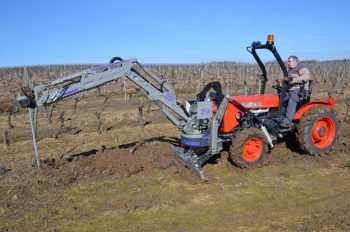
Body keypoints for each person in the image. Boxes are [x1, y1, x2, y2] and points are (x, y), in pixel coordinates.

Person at [280, 55, 310, 128]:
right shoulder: (289, 70)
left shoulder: (301, 68)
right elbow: (286, 80)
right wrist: (280, 84)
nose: (288, 63)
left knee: (292, 99)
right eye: (288, 61)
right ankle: (278, 116)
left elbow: (306, 77)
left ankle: (288, 121)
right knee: (280, 98)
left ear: (295, 61)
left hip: (299, 90)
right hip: (289, 90)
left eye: (289, 61)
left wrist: (294, 80)